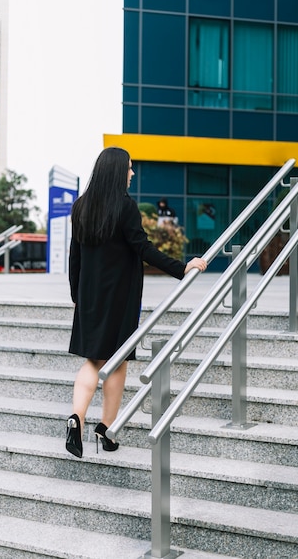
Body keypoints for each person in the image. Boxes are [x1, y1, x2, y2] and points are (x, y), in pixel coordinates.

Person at [66, 147, 207, 458]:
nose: (132, 173)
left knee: (92, 360)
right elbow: (143, 248)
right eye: (129, 168)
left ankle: (76, 418)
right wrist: (181, 268)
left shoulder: (81, 207)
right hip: (120, 297)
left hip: (88, 298)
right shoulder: (125, 208)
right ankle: (107, 429)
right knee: (117, 362)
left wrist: (77, 296)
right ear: (117, 171)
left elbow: (74, 258)